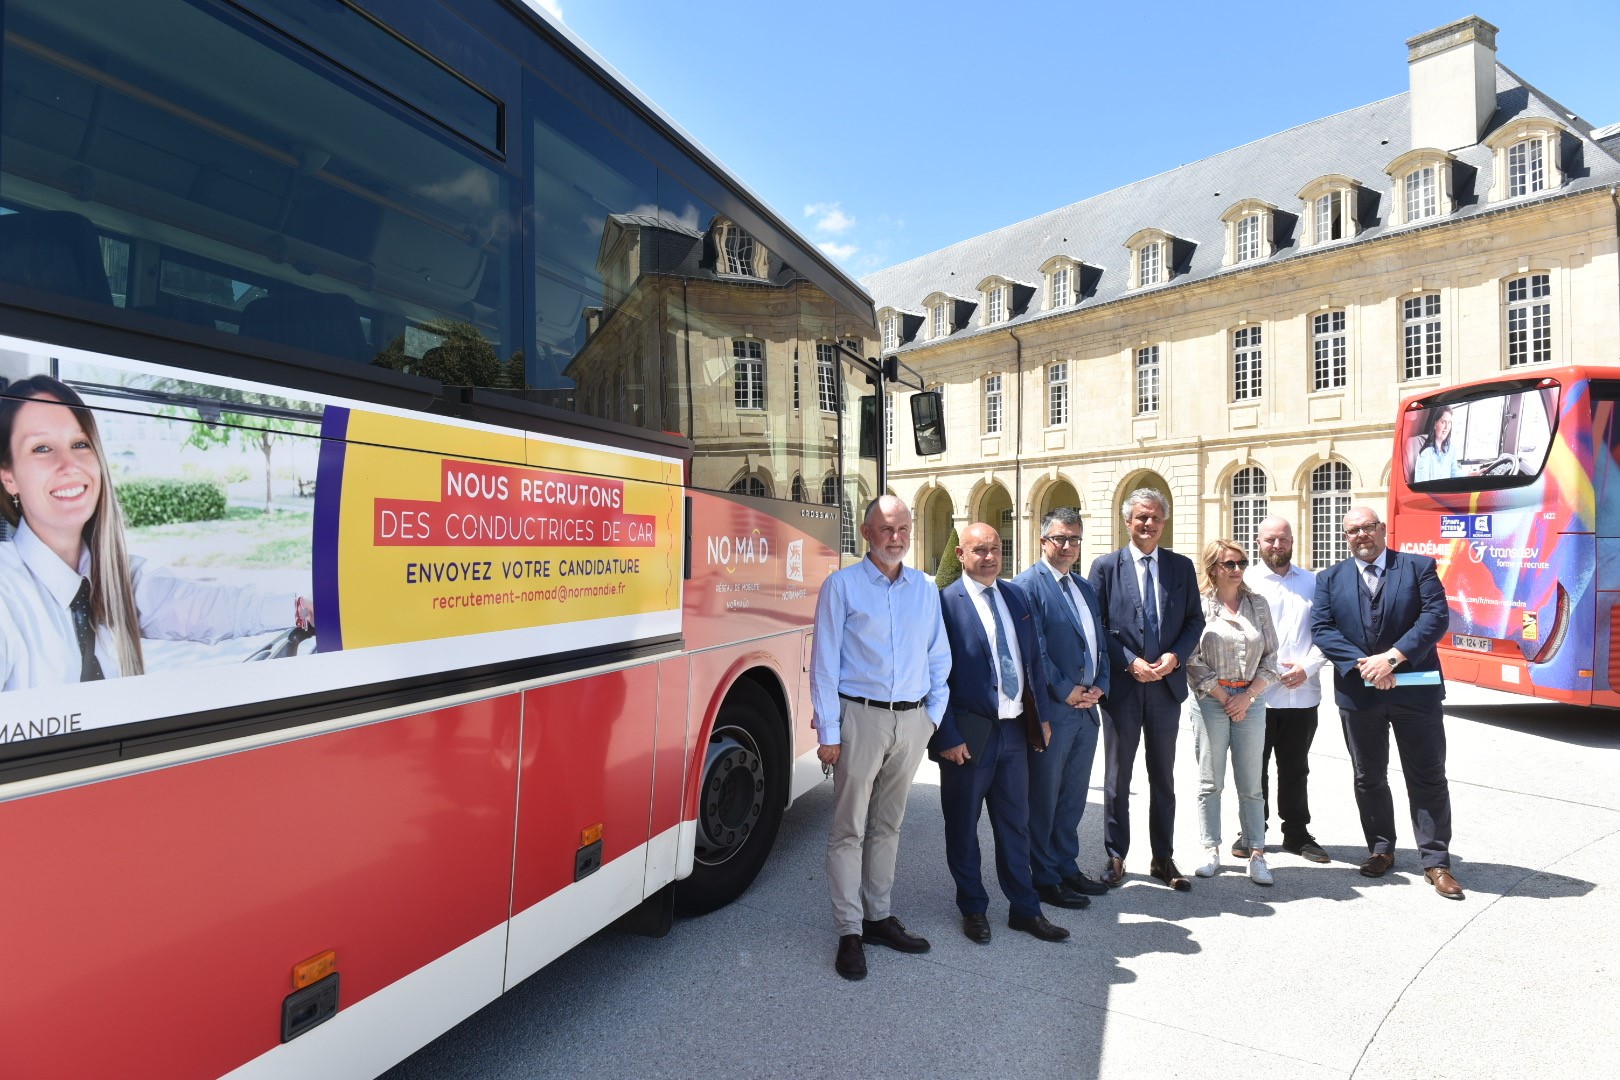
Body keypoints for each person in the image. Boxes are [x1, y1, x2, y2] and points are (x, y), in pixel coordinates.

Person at [0, 376, 313, 692]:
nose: (68, 464)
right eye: (41, 448)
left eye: (80, 444)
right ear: (8, 476)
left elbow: (201, 607)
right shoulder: (6, 595)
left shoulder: (118, 579)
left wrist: (299, 608)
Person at [810, 494, 952, 980]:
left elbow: (938, 656)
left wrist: (931, 716)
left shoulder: (924, 589)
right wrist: (829, 731)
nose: (897, 538)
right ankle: (849, 930)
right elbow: (825, 665)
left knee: (888, 826)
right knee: (849, 827)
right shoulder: (841, 587)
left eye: (904, 529)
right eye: (887, 529)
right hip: (860, 719)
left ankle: (878, 916)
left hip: (911, 721)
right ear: (867, 533)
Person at [1311, 506, 1463, 900]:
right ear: (1346, 537)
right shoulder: (1329, 578)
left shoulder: (1417, 567)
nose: (1360, 535)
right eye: (1352, 531)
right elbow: (1323, 629)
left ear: (1381, 529)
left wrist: (1391, 658)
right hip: (1359, 694)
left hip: (1416, 690)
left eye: (1366, 527)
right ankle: (1381, 849)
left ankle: (1436, 861)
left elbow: (1435, 618)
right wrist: (1366, 667)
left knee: (1427, 775)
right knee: (1369, 775)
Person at [934, 522, 1068, 944]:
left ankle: (1024, 910)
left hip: (1014, 732)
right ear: (960, 554)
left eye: (995, 548)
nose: (989, 556)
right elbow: (935, 678)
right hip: (968, 733)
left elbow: (1033, 662)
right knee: (963, 825)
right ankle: (973, 907)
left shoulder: (1015, 596)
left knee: (1016, 824)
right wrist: (947, 736)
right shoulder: (945, 604)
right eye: (979, 550)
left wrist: (1041, 717)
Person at [1088, 488, 1205, 891]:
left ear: (1163, 521)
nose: (1148, 524)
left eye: (1155, 517)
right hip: (1123, 688)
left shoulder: (1180, 567)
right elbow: (1097, 627)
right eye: (1140, 517)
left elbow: (1194, 621)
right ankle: (1116, 856)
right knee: (1117, 778)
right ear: (1127, 521)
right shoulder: (1105, 568)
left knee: (1164, 778)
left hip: (1165, 689)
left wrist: (1175, 656)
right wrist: (1128, 661)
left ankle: (1163, 858)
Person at [1014, 506, 1114, 908]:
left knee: (1073, 796)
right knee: (1045, 797)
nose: (1069, 546)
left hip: (1087, 710)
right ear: (1043, 541)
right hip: (1056, 711)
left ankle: (1066, 865)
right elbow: (1033, 650)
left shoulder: (1085, 587)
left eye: (1074, 539)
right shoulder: (1027, 586)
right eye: (1060, 538)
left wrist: (1101, 686)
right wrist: (1064, 689)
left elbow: (1100, 645)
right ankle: (1043, 876)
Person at [1186, 540, 1281, 884]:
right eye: (1230, 563)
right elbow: (1190, 657)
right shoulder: (1199, 606)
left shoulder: (1257, 604)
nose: (1238, 569)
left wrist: (1248, 696)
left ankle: (1256, 852)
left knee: (1251, 782)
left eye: (1242, 562)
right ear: (1213, 568)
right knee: (1210, 781)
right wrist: (1225, 695)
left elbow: (1271, 656)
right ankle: (1210, 848)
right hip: (1211, 700)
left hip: (1251, 702)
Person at [1243, 516, 1330, 863]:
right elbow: (1240, 634)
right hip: (1259, 692)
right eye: (1269, 540)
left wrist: (1308, 667)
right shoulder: (1246, 582)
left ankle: (1296, 832)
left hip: (1304, 693)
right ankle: (1252, 832)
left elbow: (1328, 632)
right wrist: (1274, 671)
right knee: (1254, 766)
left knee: (1295, 767)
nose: (1276, 546)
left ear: (1292, 541)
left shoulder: (1313, 583)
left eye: (1282, 540)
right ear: (1258, 542)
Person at [1412, 406, 1470, 482]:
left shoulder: (1452, 449)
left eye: (1449, 423)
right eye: (1443, 422)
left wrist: (1472, 474)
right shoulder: (1425, 454)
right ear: (1435, 424)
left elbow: (1454, 472)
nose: (1446, 427)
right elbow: (1422, 486)